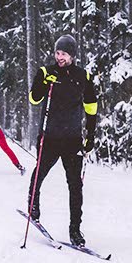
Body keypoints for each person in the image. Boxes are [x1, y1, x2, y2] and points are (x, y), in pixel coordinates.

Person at [27, 34, 97, 247]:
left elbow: (91, 107)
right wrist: (42, 83)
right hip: (49, 136)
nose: (59, 57)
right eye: (57, 53)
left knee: (75, 186)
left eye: (64, 54)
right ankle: (33, 205)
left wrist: (90, 136)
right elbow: (34, 99)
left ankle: (75, 230)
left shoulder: (82, 76)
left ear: (72, 55)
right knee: (40, 173)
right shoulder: (46, 72)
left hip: (72, 139)